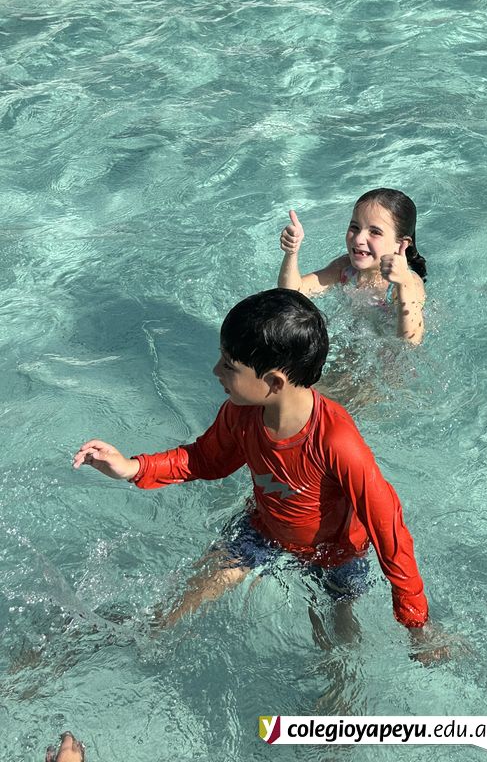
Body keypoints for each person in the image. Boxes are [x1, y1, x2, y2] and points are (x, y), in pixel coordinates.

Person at [72, 289, 448, 664]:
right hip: (262, 528)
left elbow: (387, 526)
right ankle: (117, 643)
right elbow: (205, 459)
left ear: (274, 382)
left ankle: (341, 689)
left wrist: (416, 622)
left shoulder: (336, 442)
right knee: (176, 605)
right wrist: (132, 467)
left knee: (335, 633)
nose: (215, 371)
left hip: (335, 553)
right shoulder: (242, 411)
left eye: (229, 365)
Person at [278, 188, 427, 345]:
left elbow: (410, 342)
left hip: (386, 353)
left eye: (375, 232)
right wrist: (291, 253)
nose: (358, 239)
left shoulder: (409, 282)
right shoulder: (345, 268)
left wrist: (404, 283)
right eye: (355, 227)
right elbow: (292, 293)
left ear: (401, 244)